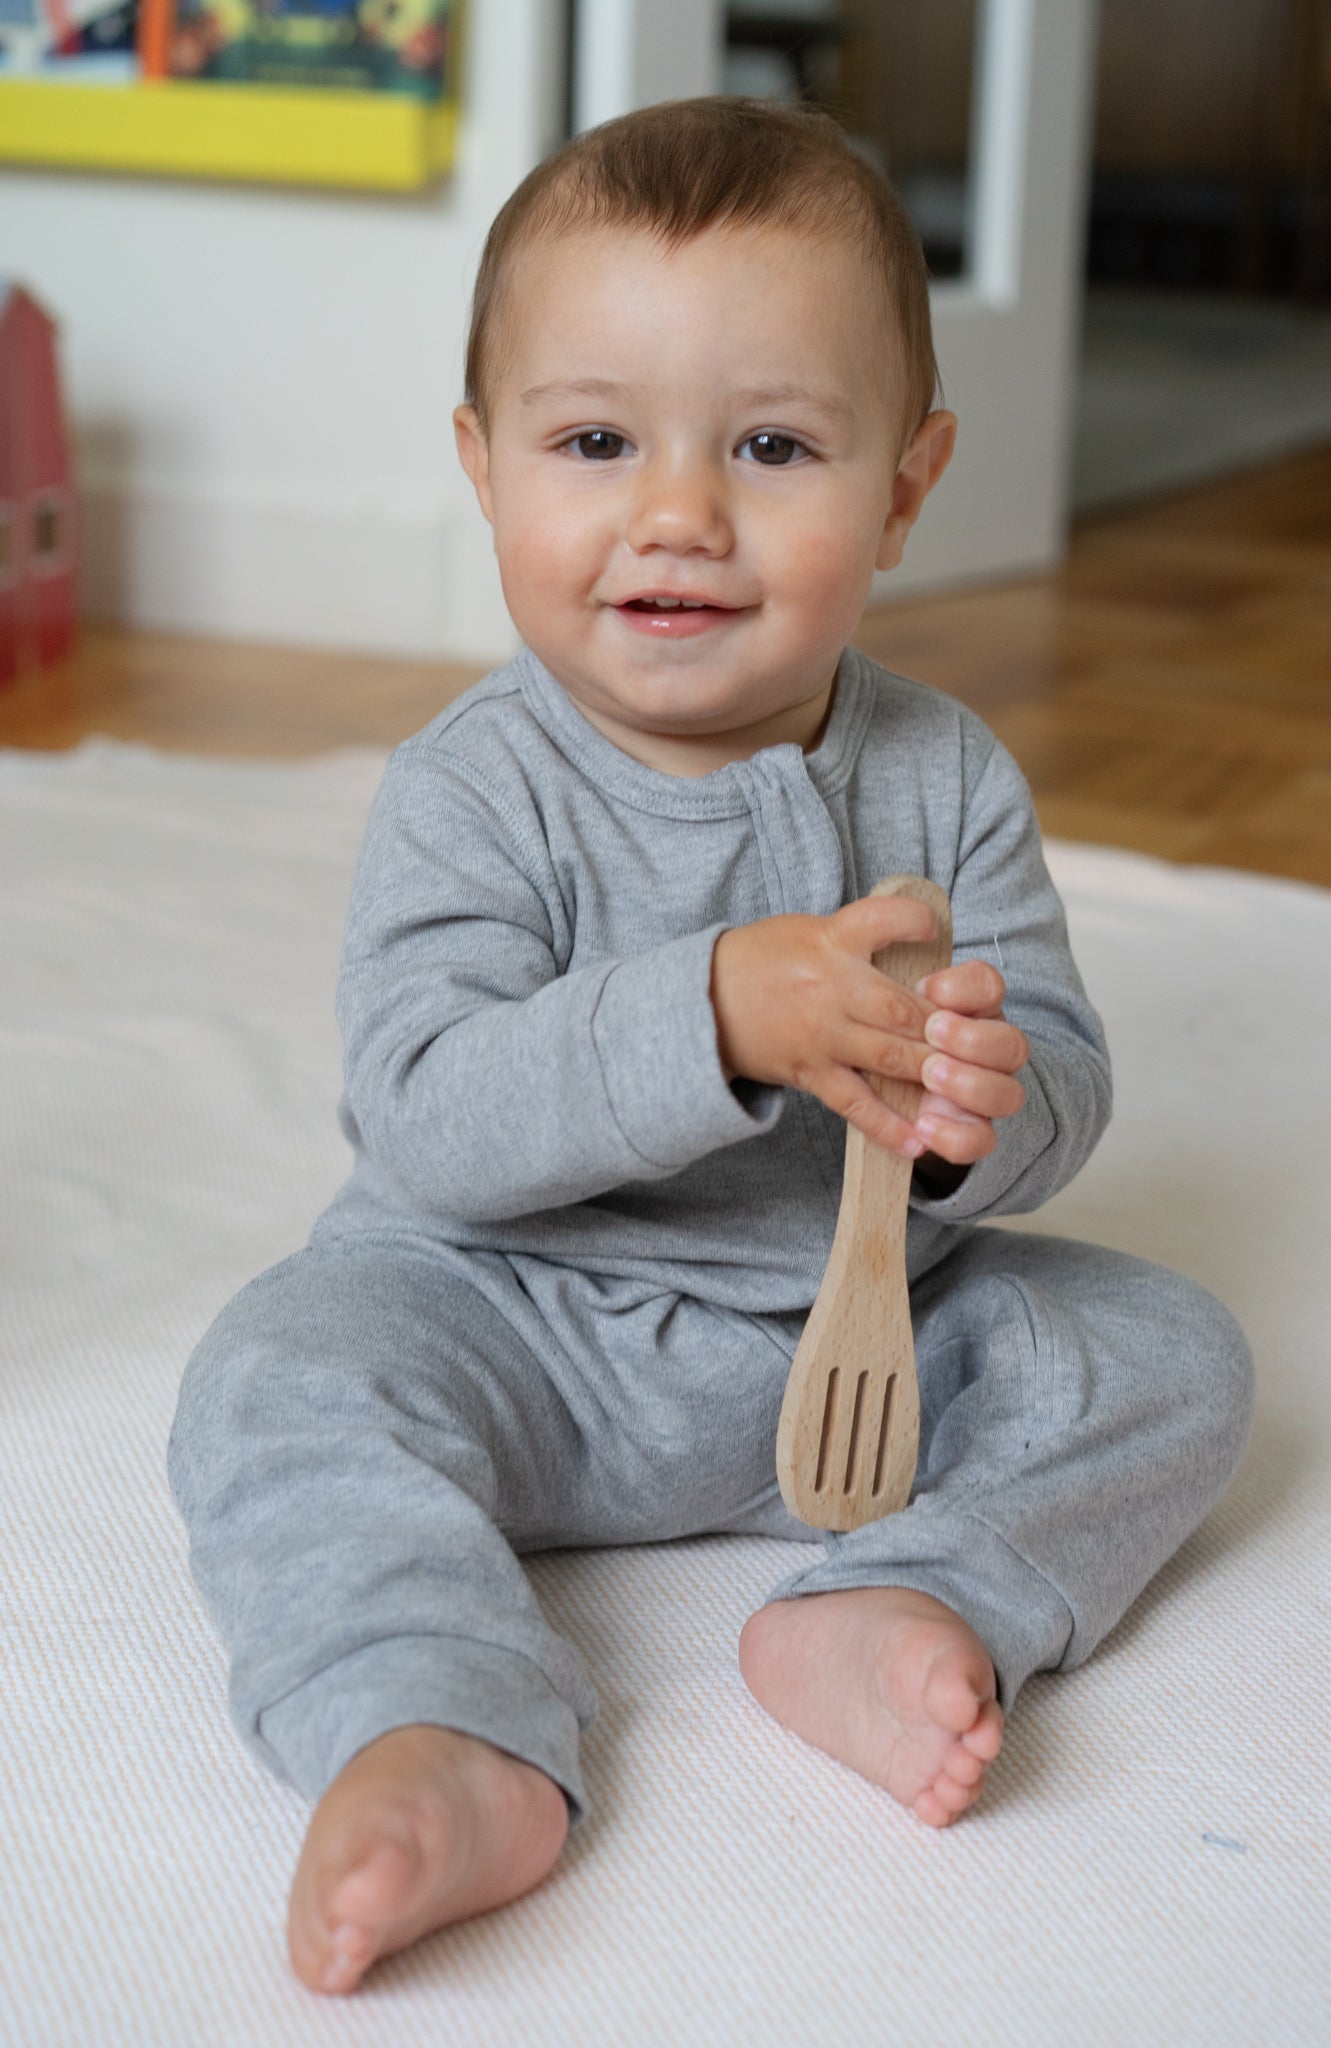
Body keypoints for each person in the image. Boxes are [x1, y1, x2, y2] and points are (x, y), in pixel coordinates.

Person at [168, 96, 1254, 1997]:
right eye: (595, 442)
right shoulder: (475, 789)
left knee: (1173, 1355)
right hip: (510, 1321)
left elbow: (1057, 1074)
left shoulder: (943, 775)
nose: (678, 513)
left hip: (862, 1355)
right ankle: (446, 1719)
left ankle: (903, 1598)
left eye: (771, 445)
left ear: (906, 488)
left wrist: (973, 1118)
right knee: (275, 1375)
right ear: (485, 469)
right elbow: (425, 1114)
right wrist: (715, 1014)